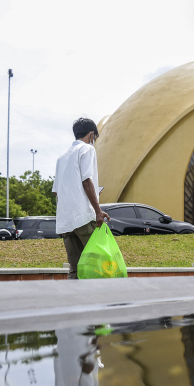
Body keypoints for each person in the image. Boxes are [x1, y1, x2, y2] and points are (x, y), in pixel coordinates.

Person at [52, 118, 110, 279]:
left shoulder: (61, 157)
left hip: (66, 222)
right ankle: (99, 302)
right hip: (83, 218)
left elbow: (57, 191)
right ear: (91, 135)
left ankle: (74, 302)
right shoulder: (87, 150)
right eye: (95, 138)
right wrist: (98, 211)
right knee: (98, 264)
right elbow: (86, 180)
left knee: (75, 269)